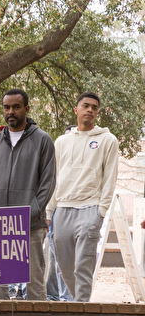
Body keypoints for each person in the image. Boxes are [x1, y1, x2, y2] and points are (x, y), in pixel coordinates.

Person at [0, 88, 56, 301]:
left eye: (16, 107)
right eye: (6, 107)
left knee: (34, 282)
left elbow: (47, 184)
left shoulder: (43, 140)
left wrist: (31, 211)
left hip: (30, 224)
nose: (10, 111)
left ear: (27, 109)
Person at [47, 92, 119, 302]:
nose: (90, 110)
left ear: (97, 113)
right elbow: (55, 178)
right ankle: (77, 303)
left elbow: (109, 178)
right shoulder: (61, 141)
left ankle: (81, 309)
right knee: (65, 267)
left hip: (90, 209)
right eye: (86, 106)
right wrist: (50, 211)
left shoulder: (108, 140)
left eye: (94, 107)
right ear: (76, 110)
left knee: (83, 265)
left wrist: (101, 212)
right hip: (63, 209)